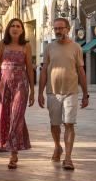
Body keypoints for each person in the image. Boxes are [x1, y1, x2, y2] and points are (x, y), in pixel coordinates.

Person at [37, 17, 89, 171]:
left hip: (71, 91)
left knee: (69, 124)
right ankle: (57, 146)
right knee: (54, 125)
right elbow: (44, 71)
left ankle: (68, 157)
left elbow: (81, 71)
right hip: (52, 92)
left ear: (68, 29)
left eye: (61, 28)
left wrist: (86, 94)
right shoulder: (49, 48)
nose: (58, 31)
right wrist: (40, 93)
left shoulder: (76, 47)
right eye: (56, 28)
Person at [0, 18, 35, 169]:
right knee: (5, 115)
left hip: (20, 86)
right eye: (13, 26)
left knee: (17, 116)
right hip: (3, 85)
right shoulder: (2, 45)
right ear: (8, 29)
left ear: (22, 30)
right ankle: (10, 146)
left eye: (18, 26)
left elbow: (29, 68)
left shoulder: (26, 46)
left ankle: (13, 153)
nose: (15, 28)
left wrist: (33, 91)